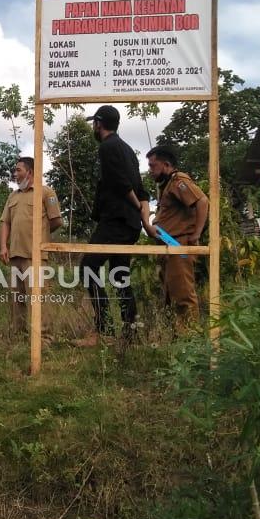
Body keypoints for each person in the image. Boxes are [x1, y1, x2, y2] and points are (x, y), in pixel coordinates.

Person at [76, 105, 150, 348]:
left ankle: (104, 329)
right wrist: (145, 220)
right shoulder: (128, 150)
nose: (93, 128)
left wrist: (137, 207)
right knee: (120, 276)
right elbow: (141, 189)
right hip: (129, 224)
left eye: (93, 124)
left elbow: (121, 183)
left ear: (98, 123)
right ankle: (131, 334)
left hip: (117, 220)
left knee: (88, 266)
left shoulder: (107, 147)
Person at [144, 145, 209, 330]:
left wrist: (196, 234)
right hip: (169, 246)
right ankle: (177, 336)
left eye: (152, 166)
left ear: (166, 165)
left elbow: (202, 201)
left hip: (180, 245)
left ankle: (190, 341)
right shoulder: (167, 185)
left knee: (183, 296)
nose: (150, 170)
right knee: (170, 296)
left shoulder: (179, 181)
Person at [0, 156, 62, 336]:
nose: (15, 174)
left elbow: (56, 221)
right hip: (15, 255)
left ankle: (44, 338)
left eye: (18, 170)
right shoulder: (13, 195)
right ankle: (19, 336)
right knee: (17, 299)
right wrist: (4, 246)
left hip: (35, 256)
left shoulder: (46, 192)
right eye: (15, 170)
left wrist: (40, 235)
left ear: (30, 172)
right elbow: (5, 222)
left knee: (38, 298)